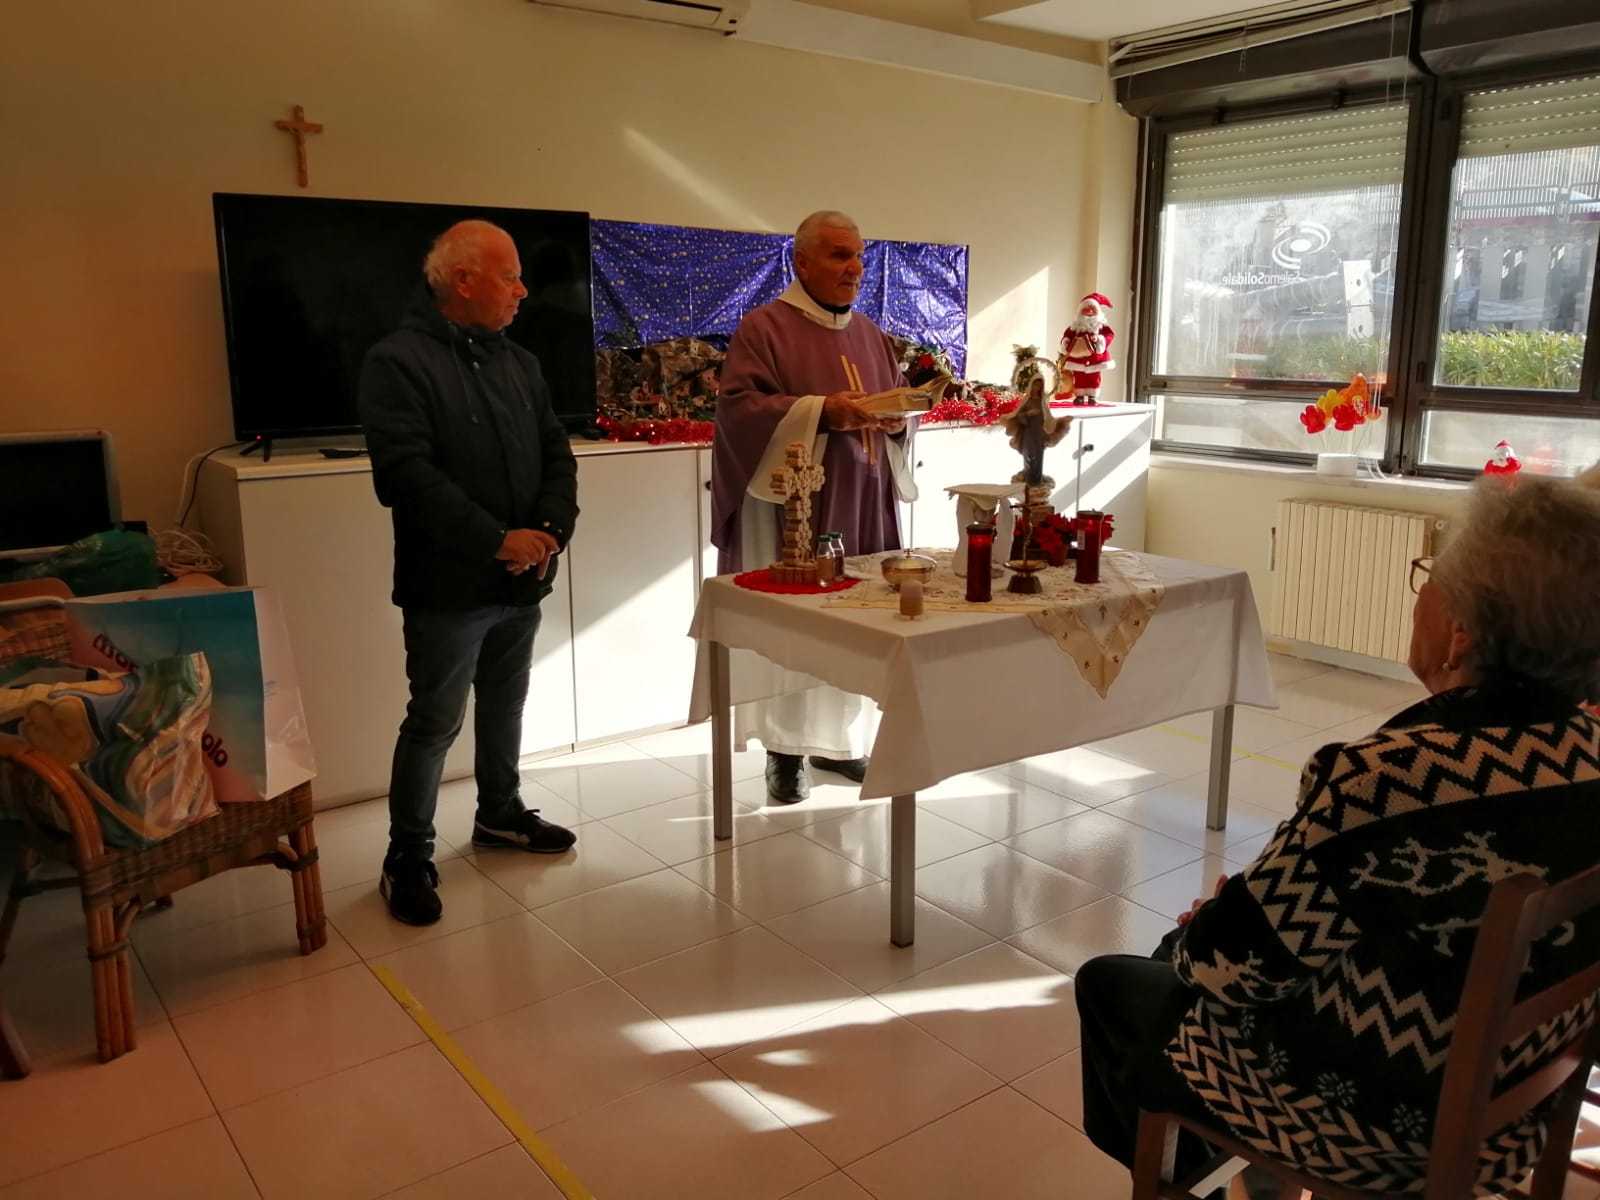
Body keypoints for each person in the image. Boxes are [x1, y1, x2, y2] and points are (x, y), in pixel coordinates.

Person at [1075, 466, 1600, 1199]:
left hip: (1376, 1129)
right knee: (1195, 949)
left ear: (1461, 633)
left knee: (1117, 982)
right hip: (1514, 1108)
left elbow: (1233, 964)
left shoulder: (1390, 780)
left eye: (1430, 576)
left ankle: (1193, 1173)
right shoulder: (1586, 751)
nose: (1420, 592)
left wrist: (1209, 933)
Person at [360, 220, 580, 927]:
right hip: (449, 587)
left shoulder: (521, 363)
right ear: (462, 281)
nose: (523, 290)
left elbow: (557, 454)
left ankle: (499, 815)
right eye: (509, 276)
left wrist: (549, 531)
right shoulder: (397, 363)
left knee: (505, 704)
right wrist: (495, 541)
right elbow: (406, 476)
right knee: (433, 721)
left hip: (523, 578)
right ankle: (406, 856)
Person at [712, 210, 917, 804]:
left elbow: (896, 409)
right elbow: (738, 410)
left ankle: (841, 744)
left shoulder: (871, 334)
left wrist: (898, 421)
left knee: (859, 624)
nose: (854, 268)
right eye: (838, 255)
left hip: (866, 504)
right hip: (800, 509)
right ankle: (785, 752)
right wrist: (822, 411)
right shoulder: (765, 328)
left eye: (859, 256)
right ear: (801, 261)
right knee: (799, 627)